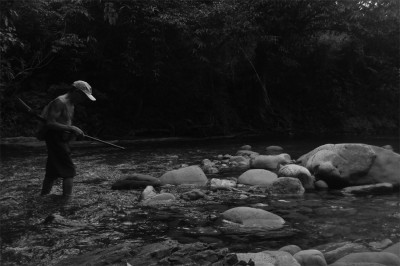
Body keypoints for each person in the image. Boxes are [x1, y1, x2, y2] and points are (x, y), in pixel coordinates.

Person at [40, 80, 96, 198]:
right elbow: (50, 123)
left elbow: (66, 124)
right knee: (69, 171)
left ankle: (43, 196)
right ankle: (67, 200)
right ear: (76, 91)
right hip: (54, 138)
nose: (84, 99)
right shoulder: (60, 102)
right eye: (83, 96)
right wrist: (72, 128)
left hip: (62, 138)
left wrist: (73, 133)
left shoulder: (71, 104)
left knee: (52, 172)